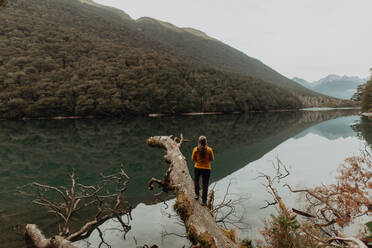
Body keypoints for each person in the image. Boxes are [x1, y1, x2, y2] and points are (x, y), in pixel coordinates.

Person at [191, 135, 214, 206]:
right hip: (207, 169)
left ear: (199, 142)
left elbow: (192, 159)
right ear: (206, 142)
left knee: (196, 181)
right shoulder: (209, 150)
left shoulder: (196, 149)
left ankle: (197, 195)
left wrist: (198, 160)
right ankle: (204, 201)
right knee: (205, 185)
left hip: (197, 168)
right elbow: (212, 159)